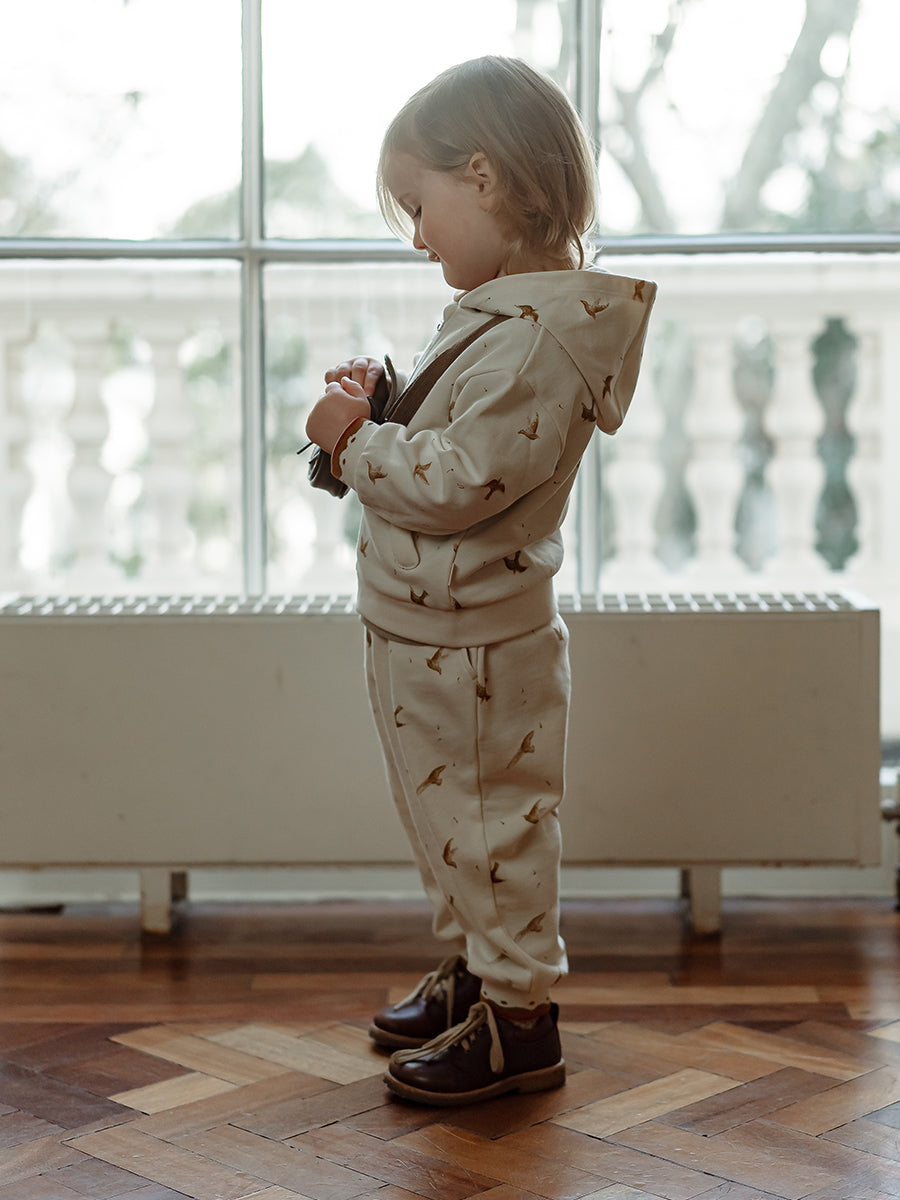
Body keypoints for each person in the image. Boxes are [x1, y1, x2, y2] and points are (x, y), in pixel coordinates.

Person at [305, 55, 656, 1107]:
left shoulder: (541, 341)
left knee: (494, 830)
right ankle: (478, 972)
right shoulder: (501, 317)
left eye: (420, 207)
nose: (418, 237)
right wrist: (391, 400)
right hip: (430, 631)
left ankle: (519, 1023)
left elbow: (461, 482)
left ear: (486, 178)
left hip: (475, 650)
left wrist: (355, 441)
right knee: (450, 824)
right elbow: (463, 433)